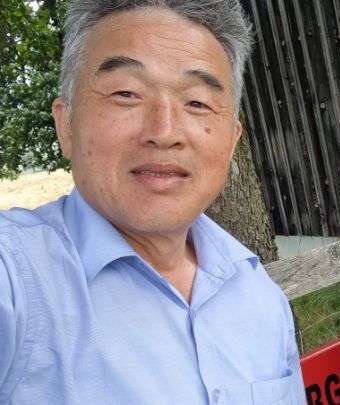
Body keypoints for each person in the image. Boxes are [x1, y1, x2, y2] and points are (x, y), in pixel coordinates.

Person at [0, 1, 305, 403]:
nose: (164, 131)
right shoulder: (17, 277)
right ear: (66, 125)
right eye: (126, 93)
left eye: (197, 103)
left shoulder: (259, 295)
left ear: (231, 142)